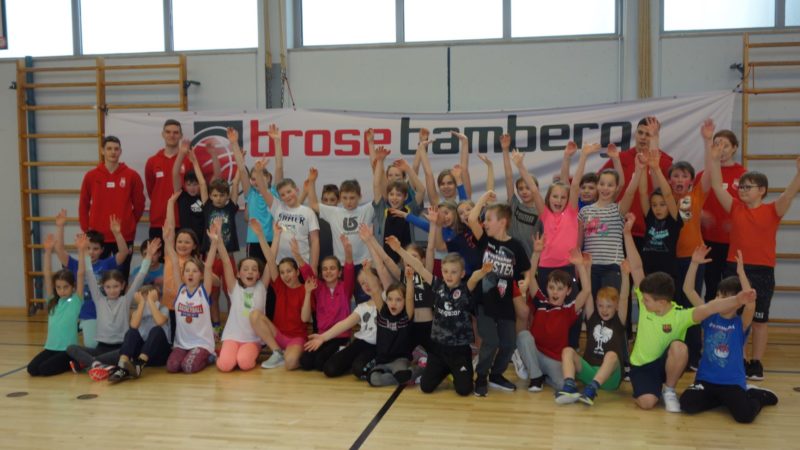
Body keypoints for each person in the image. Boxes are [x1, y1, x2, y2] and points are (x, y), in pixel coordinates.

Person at [624, 213, 757, 412]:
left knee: (679, 347)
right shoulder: (646, 305)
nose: (641, 301)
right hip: (644, 366)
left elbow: (709, 307)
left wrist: (738, 299)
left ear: (662, 302)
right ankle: (651, 389)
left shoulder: (680, 315)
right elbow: (636, 266)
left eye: (647, 299)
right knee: (647, 403)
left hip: (667, 363)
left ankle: (668, 389)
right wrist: (627, 233)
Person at [709, 144, 800, 380]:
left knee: (759, 319)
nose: (741, 190)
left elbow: (789, 194)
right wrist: (714, 158)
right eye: (741, 186)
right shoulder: (735, 208)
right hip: (733, 268)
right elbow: (718, 186)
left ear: (762, 190)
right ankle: (736, 356)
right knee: (733, 315)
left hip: (761, 271)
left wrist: (798, 174)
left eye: (747, 187)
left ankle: (756, 363)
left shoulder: (773, 210)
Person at [679, 246, 778, 422]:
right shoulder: (709, 316)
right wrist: (694, 264)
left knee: (745, 416)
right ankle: (721, 399)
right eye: (718, 296)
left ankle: (755, 395)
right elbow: (688, 290)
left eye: (725, 297)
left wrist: (741, 273)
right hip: (706, 381)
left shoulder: (741, 323)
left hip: (732, 383)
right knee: (687, 403)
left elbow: (750, 303)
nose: (719, 300)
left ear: (736, 301)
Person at [467, 191, 531, 397]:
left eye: (488, 219)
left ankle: (496, 374)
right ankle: (482, 377)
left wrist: (526, 282)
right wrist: (483, 198)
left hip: (505, 304)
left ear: (502, 222)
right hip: (484, 303)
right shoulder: (486, 241)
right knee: (491, 341)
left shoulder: (516, 247)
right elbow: (470, 219)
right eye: (484, 219)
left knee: (509, 343)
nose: (484, 223)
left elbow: (527, 271)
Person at [67, 238, 159, 380]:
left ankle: (89, 363)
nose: (112, 290)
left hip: (119, 349)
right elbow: (90, 274)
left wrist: (148, 256)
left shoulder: (125, 300)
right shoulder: (99, 299)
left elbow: (140, 277)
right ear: (103, 287)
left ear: (122, 286)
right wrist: (84, 251)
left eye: (116, 286)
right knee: (71, 348)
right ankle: (97, 364)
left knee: (125, 355)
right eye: (108, 287)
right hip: (101, 347)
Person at [408, 251, 490, 396]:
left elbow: (474, 279)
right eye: (445, 271)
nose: (449, 275)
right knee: (426, 387)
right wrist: (398, 249)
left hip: (460, 351)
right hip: (438, 350)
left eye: (453, 272)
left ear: (462, 273)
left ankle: (455, 370)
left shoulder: (465, 289)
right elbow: (419, 268)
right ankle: (443, 369)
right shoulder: (438, 285)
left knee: (464, 390)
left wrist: (483, 271)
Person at [516, 241, 592, 393]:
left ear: (568, 291)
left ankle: (542, 375)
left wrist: (580, 266)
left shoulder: (569, 310)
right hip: (536, 353)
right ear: (547, 288)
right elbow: (531, 277)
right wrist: (536, 253)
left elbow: (586, 291)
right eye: (551, 288)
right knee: (524, 336)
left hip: (554, 360)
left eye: (560, 289)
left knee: (562, 385)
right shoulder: (541, 301)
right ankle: (536, 377)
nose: (555, 293)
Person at [556, 261, 630, 406]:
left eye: (609, 306)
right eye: (601, 305)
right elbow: (588, 294)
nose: (604, 310)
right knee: (568, 351)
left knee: (612, 355)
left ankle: (592, 389)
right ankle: (569, 386)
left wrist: (626, 275)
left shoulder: (619, 321)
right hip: (589, 372)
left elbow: (624, 298)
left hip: (610, 378)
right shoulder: (592, 317)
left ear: (616, 307)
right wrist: (587, 268)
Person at [55, 209, 130, 349]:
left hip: (106, 314)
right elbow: (59, 250)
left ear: (102, 250)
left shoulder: (107, 264)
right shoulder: (75, 264)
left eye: (95, 249)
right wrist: (60, 227)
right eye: (88, 248)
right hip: (87, 314)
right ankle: (81, 328)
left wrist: (117, 233)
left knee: (108, 345)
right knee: (92, 345)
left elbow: (124, 252)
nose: (91, 252)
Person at [249, 222, 314, 371]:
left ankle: (288, 355)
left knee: (290, 364)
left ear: (297, 272)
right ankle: (277, 352)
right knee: (254, 315)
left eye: (289, 271)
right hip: (277, 334)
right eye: (282, 272)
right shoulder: (279, 286)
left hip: (296, 338)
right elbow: (271, 259)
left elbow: (305, 319)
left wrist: (309, 293)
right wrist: (264, 235)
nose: (285, 275)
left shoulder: (306, 289)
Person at [79, 135, 144, 277]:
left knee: (122, 277)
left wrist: (130, 223)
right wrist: (87, 230)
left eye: (116, 149)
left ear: (120, 151)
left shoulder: (132, 176)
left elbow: (139, 204)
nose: (113, 152)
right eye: (109, 149)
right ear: (102, 151)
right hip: (98, 238)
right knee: (97, 278)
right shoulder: (91, 176)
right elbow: (83, 204)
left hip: (124, 236)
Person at [600, 116, 673, 242]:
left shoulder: (665, 162)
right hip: (620, 230)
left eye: (648, 134)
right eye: (640, 132)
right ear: (635, 133)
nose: (643, 137)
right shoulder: (619, 158)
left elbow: (670, 196)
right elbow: (595, 183)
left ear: (656, 137)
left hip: (652, 232)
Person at [696, 121, 746, 302]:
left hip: (734, 242)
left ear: (734, 148)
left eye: (726, 145)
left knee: (734, 287)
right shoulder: (703, 175)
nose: (721, 149)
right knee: (711, 286)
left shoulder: (744, 174)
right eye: (717, 144)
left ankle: (732, 327)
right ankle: (711, 326)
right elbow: (688, 204)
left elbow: (749, 208)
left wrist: (736, 220)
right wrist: (700, 215)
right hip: (708, 241)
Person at [197, 140, 242, 329]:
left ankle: (232, 324)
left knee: (230, 292)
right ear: (210, 195)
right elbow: (201, 182)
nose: (218, 198)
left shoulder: (230, 207)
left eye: (221, 195)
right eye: (215, 195)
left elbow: (237, 181)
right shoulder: (207, 206)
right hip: (210, 256)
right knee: (213, 293)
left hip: (228, 257)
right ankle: (215, 326)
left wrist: (240, 161)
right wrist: (193, 161)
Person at [214, 221, 269, 373]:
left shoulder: (261, 287)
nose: (250, 272)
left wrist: (262, 236)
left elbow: (271, 260)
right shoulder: (234, 288)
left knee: (244, 363)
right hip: (232, 337)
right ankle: (225, 353)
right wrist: (218, 237)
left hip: (252, 339)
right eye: (245, 269)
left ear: (258, 274)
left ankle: (245, 355)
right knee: (225, 366)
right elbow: (225, 260)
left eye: (254, 269)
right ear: (238, 273)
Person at [27, 234, 85, 376]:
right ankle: (68, 362)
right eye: (59, 287)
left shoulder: (76, 301)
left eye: (66, 287)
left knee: (45, 370)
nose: (62, 290)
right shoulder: (53, 301)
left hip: (68, 349)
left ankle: (76, 360)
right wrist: (47, 252)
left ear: (73, 287)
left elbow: (81, 273)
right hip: (51, 347)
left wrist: (81, 251)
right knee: (32, 370)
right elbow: (47, 274)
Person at [307, 267, 380, 380]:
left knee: (359, 369)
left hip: (378, 346)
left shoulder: (388, 300)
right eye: (363, 283)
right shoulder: (362, 307)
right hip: (361, 343)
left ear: (379, 279)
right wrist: (323, 337)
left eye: (369, 280)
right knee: (329, 369)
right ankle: (354, 362)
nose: (366, 285)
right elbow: (344, 323)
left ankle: (364, 364)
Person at [165, 221, 217, 374]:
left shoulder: (203, 292)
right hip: (182, 344)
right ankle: (190, 355)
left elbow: (208, 266)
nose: (190, 274)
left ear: (200, 276)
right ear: (183, 274)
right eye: (187, 271)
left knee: (188, 367)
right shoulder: (180, 289)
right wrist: (167, 240)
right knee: (172, 366)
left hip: (201, 343)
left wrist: (214, 242)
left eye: (194, 271)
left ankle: (208, 356)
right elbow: (174, 261)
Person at [253, 158, 320, 275]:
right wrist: (258, 172)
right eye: (283, 194)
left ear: (297, 190)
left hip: (302, 263)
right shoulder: (277, 207)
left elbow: (315, 240)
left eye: (289, 192)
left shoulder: (308, 212)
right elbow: (263, 190)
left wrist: (313, 266)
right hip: (280, 265)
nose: (287, 196)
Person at [298, 234, 355, 371]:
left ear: (339, 272)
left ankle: (344, 350)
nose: (328, 272)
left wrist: (348, 252)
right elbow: (307, 274)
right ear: (321, 272)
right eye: (324, 269)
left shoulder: (345, 288)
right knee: (305, 362)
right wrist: (297, 255)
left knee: (320, 364)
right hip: (321, 335)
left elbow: (349, 269)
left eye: (332, 268)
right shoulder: (319, 288)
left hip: (340, 336)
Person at [232, 125, 283, 265]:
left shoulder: (274, 193)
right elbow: (242, 170)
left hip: (273, 239)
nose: (256, 181)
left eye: (260, 176)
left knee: (273, 276)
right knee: (254, 275)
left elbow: (279, 167)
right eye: (253, 178)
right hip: (254, 240)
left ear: (268, 178)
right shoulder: (251, 194)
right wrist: (234, 144)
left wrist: (277, 141)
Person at [364, 267, 417, 387]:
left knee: (402, 375)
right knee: (373, 380)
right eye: (390, 299)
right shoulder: (382, 313)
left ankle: (418, 370)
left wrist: (409, 280)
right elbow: (375, 290)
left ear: (404, 302)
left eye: (398, 300)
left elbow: (409, 297)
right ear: (386, 300)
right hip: (382, 361)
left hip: (400, 360)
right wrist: (367, 272)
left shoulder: (406, 316)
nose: (393, 303)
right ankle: (405, 376)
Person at [107, 285, 172, 382]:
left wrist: (151, 302)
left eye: (149, 299)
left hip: (159, 354)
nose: (147, 304)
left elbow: (159, 321)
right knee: (131, 332)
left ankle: (139, 364)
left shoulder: (163, 309)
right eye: (144, 300)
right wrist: (141, 304)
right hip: (140, 353)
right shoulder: (137, 312)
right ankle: (122, 366)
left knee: (156, 330)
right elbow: (134, 325)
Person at [145, 119, 193, 239]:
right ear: (163, 134)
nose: (172, 135)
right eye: (168, 132)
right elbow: (151, 191)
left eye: (176, 132)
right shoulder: (152, 161)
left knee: (183, 258)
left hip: (182, 221)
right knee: (158, 258)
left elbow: (194, 189)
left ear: (181, 135)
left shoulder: (188, 160)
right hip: (158, 222)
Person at [501, 133, 540, 258]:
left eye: (528, 188)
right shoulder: (514, 205)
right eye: (521, 188)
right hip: (510, 260)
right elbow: (508, 178)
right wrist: (505, 150)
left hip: (532, 261)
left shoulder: (542, 211)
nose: (524, 191)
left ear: (535, 189)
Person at [171, 137, 207, 243]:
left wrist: (194, 162)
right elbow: (175, 173)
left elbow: (203, 183)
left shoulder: (204, 197)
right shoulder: (182, 196)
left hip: (202, 240)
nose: (192, 187)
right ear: (185, 185)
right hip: (185, 240)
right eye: (189, 184)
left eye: (195, 184)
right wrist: (181, 154)